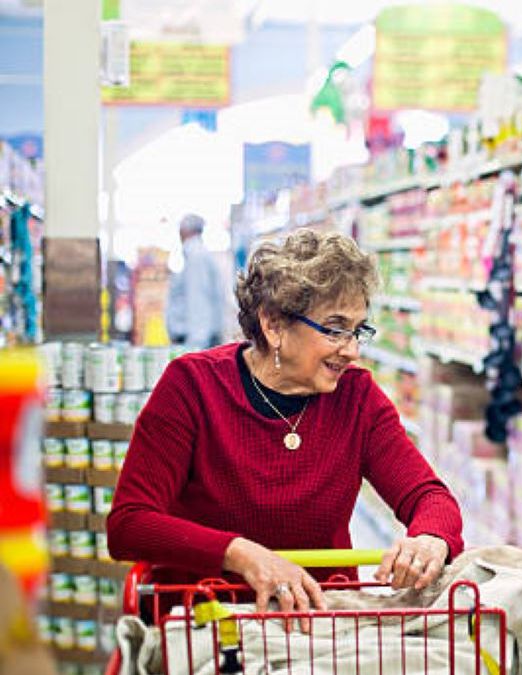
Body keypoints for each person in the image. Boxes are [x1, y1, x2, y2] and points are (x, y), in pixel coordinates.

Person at [108, 229, 463, 628]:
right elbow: (129, 523)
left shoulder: (357, 399)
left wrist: (430, 538)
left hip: (316, 628)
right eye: (334, 328)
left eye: (358, 330)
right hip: (206, 620)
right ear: (274, 325)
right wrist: (243, 555)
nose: (352, 350)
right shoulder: (192, 387)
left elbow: (428, 495)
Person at [166, 214, 225, 349]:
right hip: (197, 339)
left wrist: (195, 347)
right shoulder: (196, 254)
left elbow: (198, 300)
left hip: (196, 340)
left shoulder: (196, 256)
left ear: (185, 230)